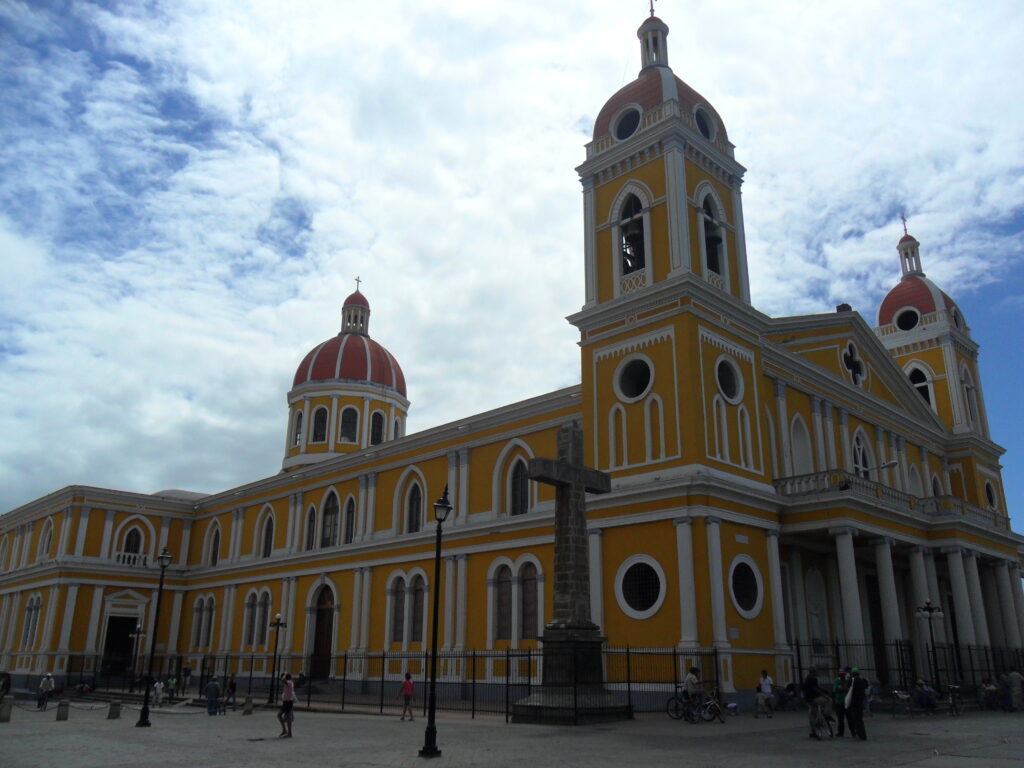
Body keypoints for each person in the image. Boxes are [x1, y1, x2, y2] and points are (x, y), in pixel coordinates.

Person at [802, 667, 832, 739]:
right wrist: (824, 695)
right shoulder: (813, 678)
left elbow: (814, 687)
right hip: (815, 698)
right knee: (829, 700)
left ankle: (813, 732)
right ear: (814, 672)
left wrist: (823, 690)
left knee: (812, 714)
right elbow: (815, 689)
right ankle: (826, 714)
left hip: (808, 699)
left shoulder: (807, 678)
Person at [846, 667, 868, 740]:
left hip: (854, 702)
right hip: (860, 702)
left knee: (856, 719)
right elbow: (866, 686)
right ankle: (862, 734)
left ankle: (860, 734)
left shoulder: (852, 681)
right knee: (860, 719)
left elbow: (848, 688)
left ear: (852, 674)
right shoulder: (862, 680)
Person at [832, 667, 851, 736]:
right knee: (840, 719)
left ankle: (853, 731)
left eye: (842, 674)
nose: (841, 675)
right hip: (839, 702)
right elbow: (835, 690)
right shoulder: (836, 681)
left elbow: (848, 689)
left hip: (846, 702)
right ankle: (840, 732)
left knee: (850, 718)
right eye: (840, 674)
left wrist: (841, 689)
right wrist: (842, 689)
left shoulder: (847, 680)